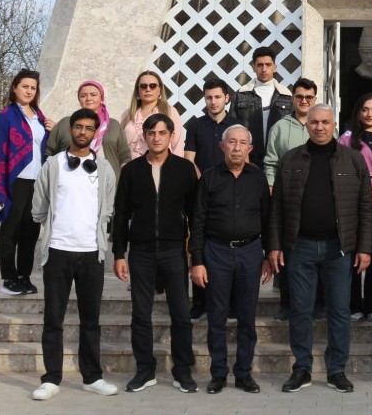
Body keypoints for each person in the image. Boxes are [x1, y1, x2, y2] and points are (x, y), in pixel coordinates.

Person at [266, 104, 372, 394]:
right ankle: (302, 368)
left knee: (339, 310)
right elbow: (277, 207)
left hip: (339, 249)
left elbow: (366, 206)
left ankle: (336, 370)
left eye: (325, 122)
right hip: (299, 247)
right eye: (314, 122)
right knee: (300, 310)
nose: (319, 127)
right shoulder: (291, 159)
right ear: (307, 125)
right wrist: (274, 245)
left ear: (334, 125)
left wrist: (365, 248)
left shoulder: (353, 159)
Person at [28, 109, 119, 400]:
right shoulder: (53, 164)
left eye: (89, 128)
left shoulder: (104, 168)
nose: (82, 132)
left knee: (90, 320)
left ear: (95, 133)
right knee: (53, 319)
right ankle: (51, 379)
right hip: (58, 251)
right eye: (78, 127)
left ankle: (92, 377)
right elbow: (39, 206)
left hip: (91, 253)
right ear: (70, 130)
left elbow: (108, 208)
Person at [112, 113, 200, 394]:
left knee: (181, 314)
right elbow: (121, 214)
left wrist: (196, 255)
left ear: (171, 136)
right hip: (141, 252)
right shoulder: (131, 170)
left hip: (174, 251)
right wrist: (119, 253)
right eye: (151, 133)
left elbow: (196, 215)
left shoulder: (184, 170)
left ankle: (182, 370)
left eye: (162, 133)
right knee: (141, 315)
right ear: (145, 136)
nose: (157, 138)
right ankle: (145, 370)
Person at [189, 125, 272, 394]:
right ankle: (218, 373)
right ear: (222, 146)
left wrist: (268, 254)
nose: (237, 148)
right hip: (216, 252)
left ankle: (244, 373)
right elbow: (197, 222)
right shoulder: (209, 178)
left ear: (250, 148)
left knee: (247, 316)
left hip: (250, 252)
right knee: (217, 316)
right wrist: (197, 260)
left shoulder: (257, 179)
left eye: (242, 143)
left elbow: (267, 218)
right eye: (232, 142)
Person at [0, 68, 51, 296]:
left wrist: (52, 129)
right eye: (25, 86)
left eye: (33, 88)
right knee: (11, 228)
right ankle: (8, 278)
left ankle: (24, 276)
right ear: (14, 88)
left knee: (31, 229)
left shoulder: (40, 117)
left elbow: (44, 148)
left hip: (37, 180)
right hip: (15, 180)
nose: (29, 91)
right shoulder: (5, 118)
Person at [262, 78, 319, 321]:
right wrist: (271, 188)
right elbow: (270, 161)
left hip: (316, 198)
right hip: (287, 198)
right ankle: (286, 303)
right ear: (293, 99)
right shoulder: (280, 127)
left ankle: (317, 303)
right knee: (286, 252)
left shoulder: (321, 124)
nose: (304, 101)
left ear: (315, 99)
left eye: (308, 97)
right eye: (299, 97)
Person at [183, 77, 240, 319]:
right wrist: (205, 182)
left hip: (230, 195)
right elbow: (189, 159)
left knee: (228, 248)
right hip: (201, 194)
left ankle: (230, 303)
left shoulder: (236, 125)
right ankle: (200, 302)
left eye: (217, 97)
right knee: (199, 246)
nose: (213, 102)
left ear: (226, 98)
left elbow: (242, 158)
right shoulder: (196, 125)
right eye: (209, 97)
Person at [339, 92, 372, 321]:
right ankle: (353, 305)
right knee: (355, 254)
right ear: (358, 112)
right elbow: (339, 172)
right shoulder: (347, 139)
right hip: (355, 203)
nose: (370, 114)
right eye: (365, 109)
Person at [47, 80, 130, 179]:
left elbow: (125, 155)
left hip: (106, 180)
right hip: (68, 178)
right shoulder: (65, 123)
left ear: (101, 98)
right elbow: (50, 151)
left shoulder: (113, 125)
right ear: (79, 100)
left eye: (93, 95)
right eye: (83, 95)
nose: (88, 98)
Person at [231, 45, 294, 162]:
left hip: (278, 158)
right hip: (247, 158)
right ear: (253, 67)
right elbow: (233, 128)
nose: (264, 69)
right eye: (260, 65)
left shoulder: (286, 96)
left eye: (268, 65)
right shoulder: (240, 95)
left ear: (275, 67)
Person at [120, 71, 186, 160]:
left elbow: (178, 145)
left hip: (162, 165)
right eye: (143, 86)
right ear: (137, 90)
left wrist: (176, 166)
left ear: (160, 90)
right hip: (130, 165)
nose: (148, 89)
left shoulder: (170, 112)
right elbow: (120, 146)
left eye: (152, 86)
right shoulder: (127, 114)